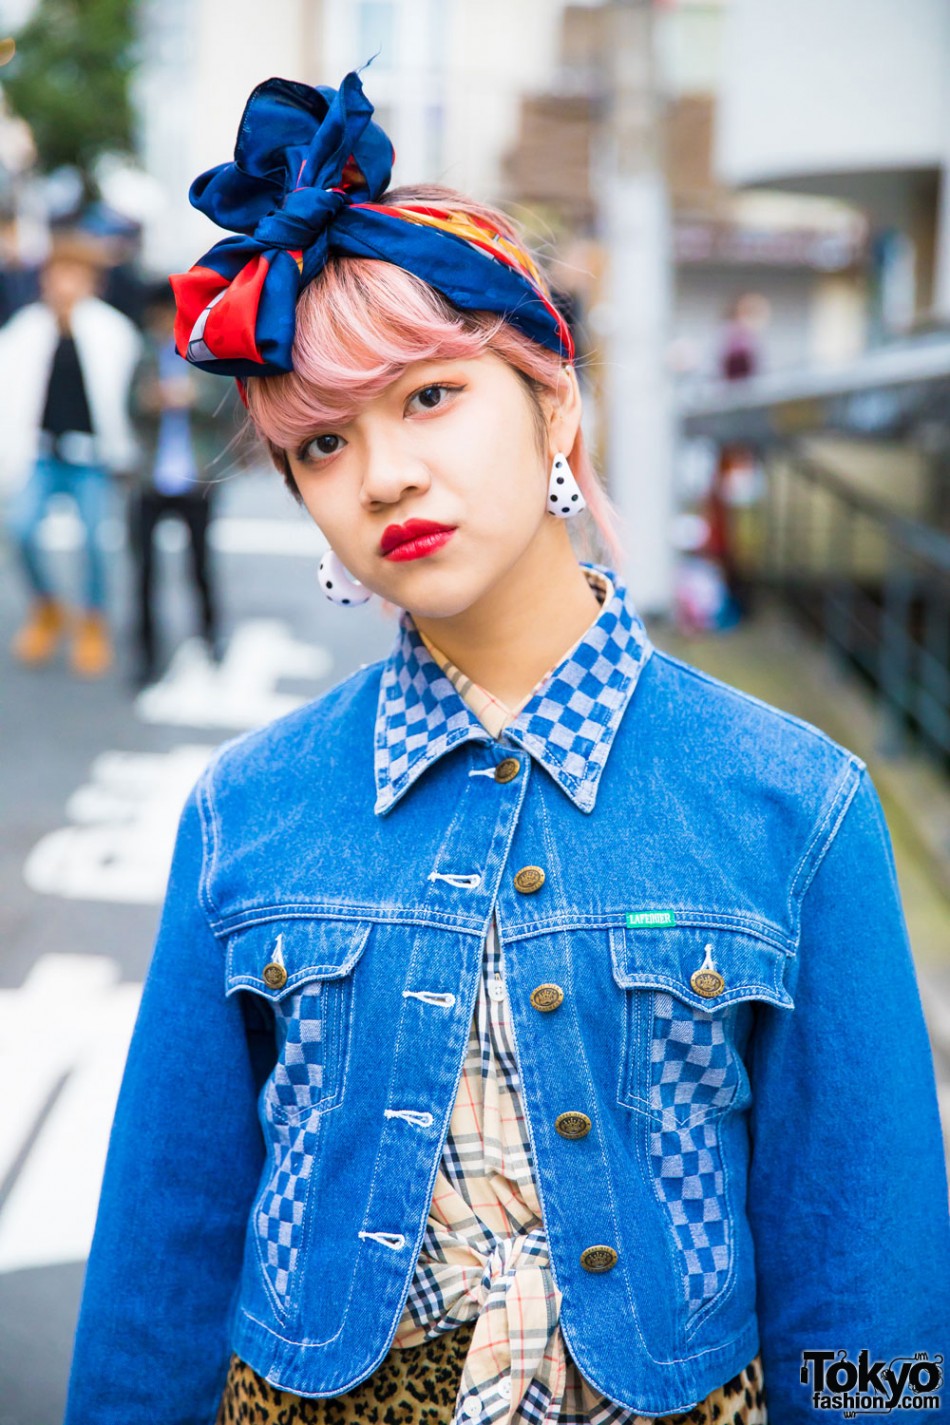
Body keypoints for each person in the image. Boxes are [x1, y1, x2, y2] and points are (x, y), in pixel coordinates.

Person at [64, 72, 949, 1425]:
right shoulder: (248, 810)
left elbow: (870, 1302)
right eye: (320, 445)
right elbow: (158, 1269)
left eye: (428, 398)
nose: (381, 477)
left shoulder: (794, 805)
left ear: (550, 404)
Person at [1, 232, 141, 676]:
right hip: (39, 455)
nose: (64, 283)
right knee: (19, 530)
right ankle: (47, 606)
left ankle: (92, 620)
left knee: (98, 543)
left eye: (75, 274)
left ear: (90, 280)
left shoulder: (112, 331)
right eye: (57, 273)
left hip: (92, 458)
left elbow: (128, 398)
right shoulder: (24, 330)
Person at [128, 278, 232, 686]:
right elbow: (128, 406)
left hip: (196, 477)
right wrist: (149, 401)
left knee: (201, 566)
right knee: (143, 572)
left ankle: (211, 636)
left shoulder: (204, 352)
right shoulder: (143, 355)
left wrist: (195, 396)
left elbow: (227, 406)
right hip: (150, 479)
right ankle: (146, 654)